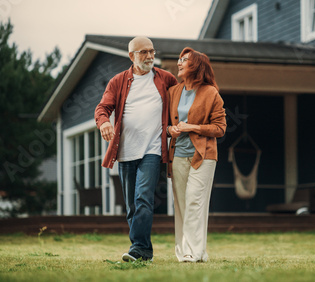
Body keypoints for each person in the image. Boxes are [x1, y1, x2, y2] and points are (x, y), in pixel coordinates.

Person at [95, 36, 178, 262]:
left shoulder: (166, 79)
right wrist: (104, 122)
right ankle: (144, 252)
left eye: (152, 51)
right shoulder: (118, 81)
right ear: (132, 56)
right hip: (125, 153)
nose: (150, 56)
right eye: (144, 52)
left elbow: (183, 99)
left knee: (143, 198)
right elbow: (103, 107)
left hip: (152, 150)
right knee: (131, 206)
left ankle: (139, 249)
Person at [167, 47, 227, 263]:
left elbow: (220, 128)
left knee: (195, 202)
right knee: (182, 205)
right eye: (179, 59)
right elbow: (165, 124)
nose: (179, 63)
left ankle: (192, 251)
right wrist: (170, 130)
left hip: (203, 156)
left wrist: (192, 127)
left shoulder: (211, 92)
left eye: (184, 60)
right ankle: (191, 251)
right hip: (178, 156)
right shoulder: (173, 91)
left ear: (196, 66)